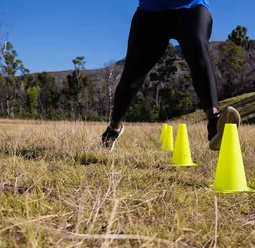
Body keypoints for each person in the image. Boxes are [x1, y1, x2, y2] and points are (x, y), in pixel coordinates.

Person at [101, 0, 240, 151]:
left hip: (192, 8)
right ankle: (114, 127)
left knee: (197, 47)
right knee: (132, 76)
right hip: (150, 12)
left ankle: (214, 122)